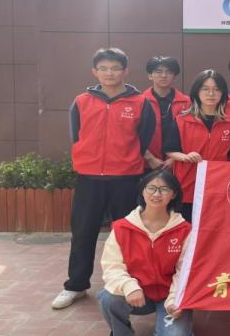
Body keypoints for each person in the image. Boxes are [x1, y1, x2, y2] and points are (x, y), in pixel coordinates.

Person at [53, 48, 156, 310]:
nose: (109, 73)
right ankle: (76, 285)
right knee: (83, 232)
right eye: (103, 68)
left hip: (126, 177)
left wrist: (126, 159)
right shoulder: (82, 101)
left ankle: (130, 283)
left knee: (127, 234)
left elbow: (143, 138)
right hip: (89, 178)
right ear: (95, 72)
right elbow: (76, 136)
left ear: (125, 71)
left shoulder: (140, 102)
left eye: (115, 68)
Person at [97, 169, 192, 336]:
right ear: (142, 191)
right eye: (151, 188)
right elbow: (112, 266)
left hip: (170, 297)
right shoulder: (122, 227)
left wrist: (174, 299)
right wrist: (129, 287)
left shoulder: (185, 230)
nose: (157, 194)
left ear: (174, 194)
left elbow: (185, 270)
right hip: (138, 295)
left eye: (164, 189)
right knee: (109, 298)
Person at [165, 70, 230, 221]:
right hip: (188, 187)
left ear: (223, 94)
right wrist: (185, 157)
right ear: (197, 92)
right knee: (187, 229)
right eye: (205, 89)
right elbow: (170, 150)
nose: (211, 94)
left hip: (220, 186)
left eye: (216, 89)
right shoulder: (181, 120)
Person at [142, 56, 191, 172]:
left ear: (174, 76)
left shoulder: (187, 102)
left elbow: (191, 135)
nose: (163, 75)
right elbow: (133, 134)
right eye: (158, 72)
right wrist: (150, 158)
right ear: (150, 75)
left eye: (169, 72)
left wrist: (174, 159)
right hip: (146, 163)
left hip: (179, 163)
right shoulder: (140, 101)